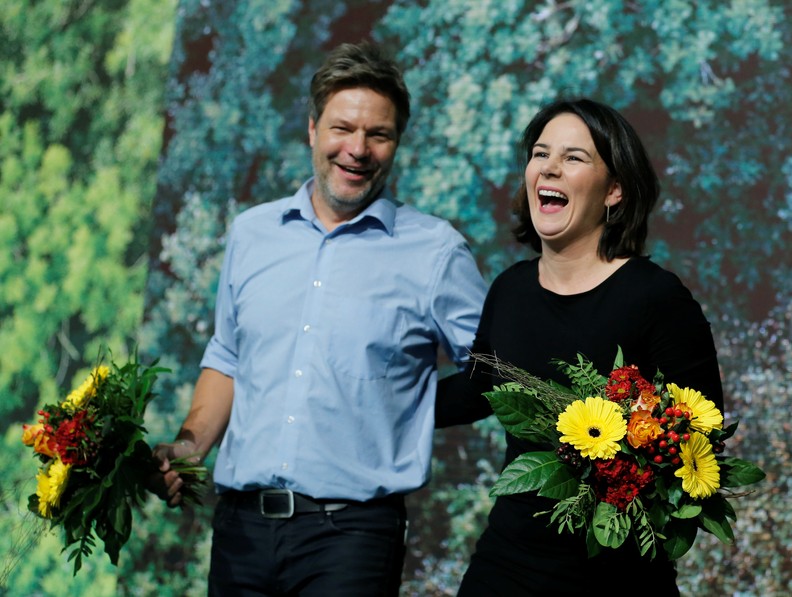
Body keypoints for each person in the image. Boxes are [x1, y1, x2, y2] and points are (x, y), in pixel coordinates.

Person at [151, 41, 486, 596]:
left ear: (396, 144)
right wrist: (188, 448)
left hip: (351, 538)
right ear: (312, 129)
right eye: (342, 129)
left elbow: (494, 371)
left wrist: (411, 408)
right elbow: (228, 358)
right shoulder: (252, 234)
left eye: (378, 135)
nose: (357, 149)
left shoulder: (434, 251)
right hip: (239, 532)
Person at [435, 97, 724, 595]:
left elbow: (700, 435)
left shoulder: (656, 297)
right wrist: (374, 399)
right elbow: (479, 388)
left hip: (618, 578)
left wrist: (621, 462)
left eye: (573, 158)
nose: (549, 167)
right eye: (541, 153)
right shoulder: (510, 289)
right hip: (507, 566)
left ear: (614, 190)